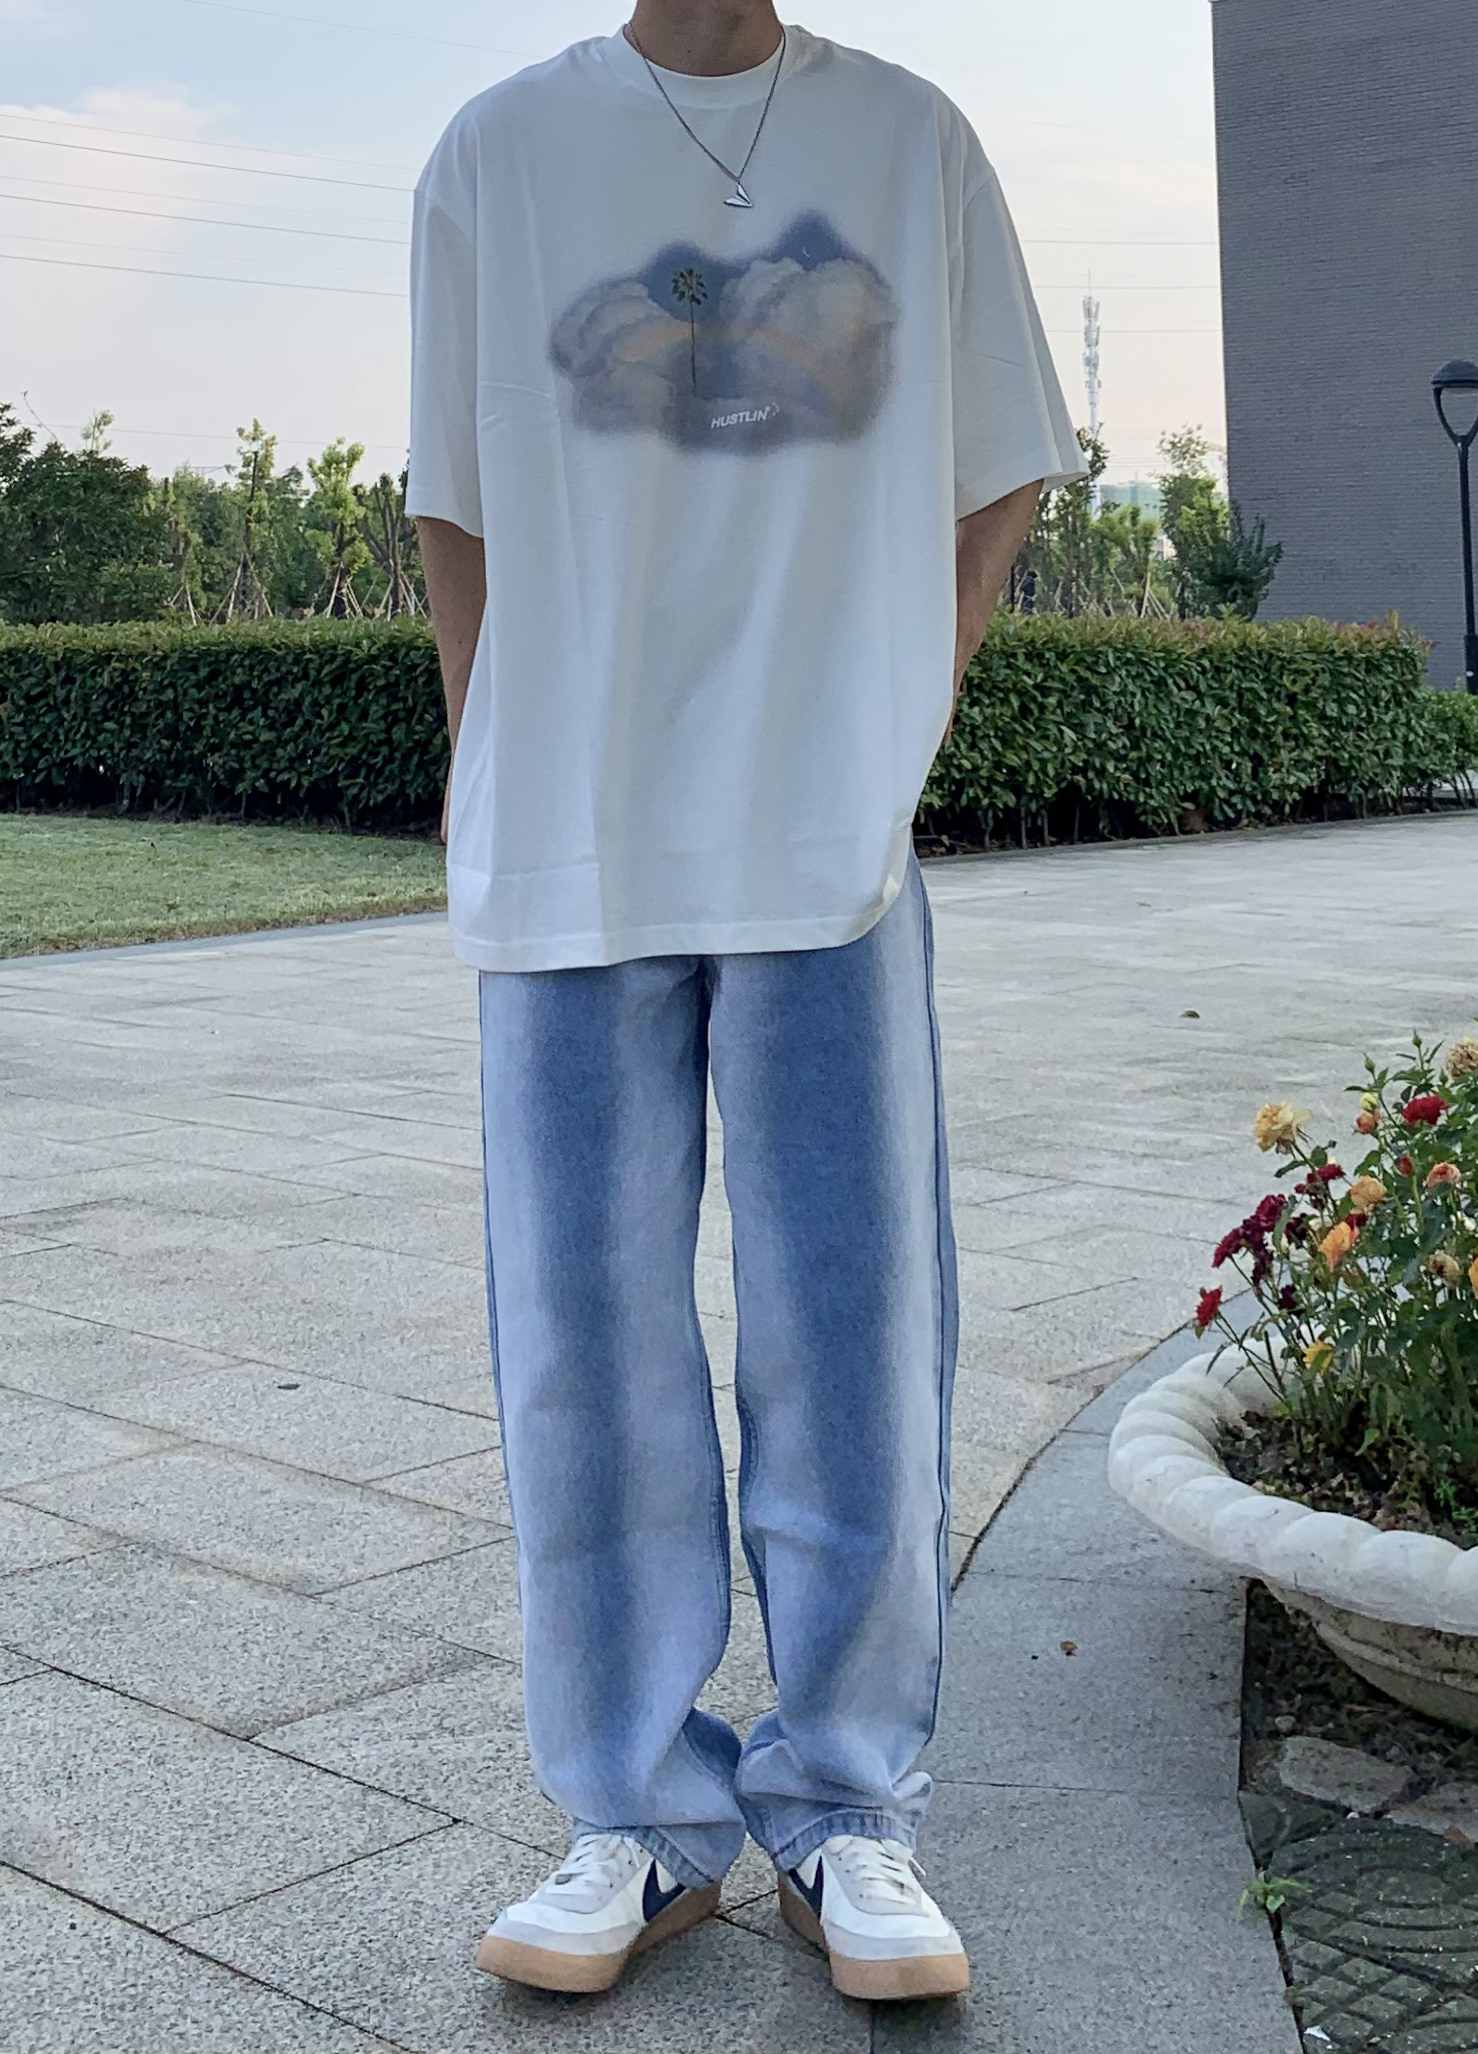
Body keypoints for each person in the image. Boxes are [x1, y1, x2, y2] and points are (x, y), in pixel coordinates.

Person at [408, 0, 1083, 2005]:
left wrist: (895, 720)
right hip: (572, 838)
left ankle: (847, 1801)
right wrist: (495, 760)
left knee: (854, 1327)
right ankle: (634, 1812)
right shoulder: (495, 152)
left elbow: (1002, 469)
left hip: (824, 843)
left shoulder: (909, 142)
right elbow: (454, 505)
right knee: (581, 1343)